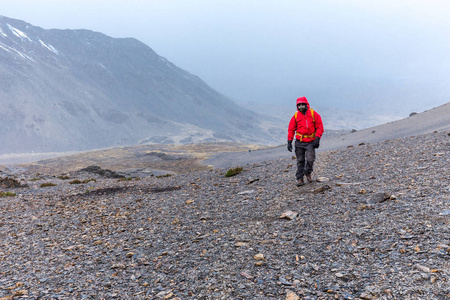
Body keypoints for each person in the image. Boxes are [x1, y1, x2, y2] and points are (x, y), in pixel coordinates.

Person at [287, 97, 324, 186]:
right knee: (300, 160)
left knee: (310, 159)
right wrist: (289, 141)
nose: (301, 106)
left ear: (306, 104)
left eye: (302, 104)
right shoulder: (295, 116)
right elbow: (291, 129)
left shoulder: (314, 114)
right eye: (299, 105)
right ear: (297, 106)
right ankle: (300, 178)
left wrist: (317, 138)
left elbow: (320, 127)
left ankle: (308, 172)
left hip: (310, 141)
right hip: (299, 142)